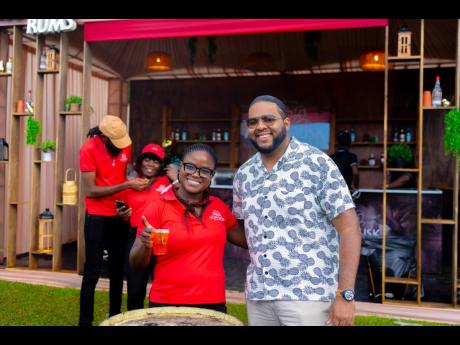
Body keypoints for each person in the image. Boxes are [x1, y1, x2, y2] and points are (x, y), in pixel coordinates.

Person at [233, 95, 362, 326]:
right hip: (259, 296)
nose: (260, 126)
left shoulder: (316, 163)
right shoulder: (244, 174)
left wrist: (345, 294)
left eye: (268, 119)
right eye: (253, 122)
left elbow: (350, 228)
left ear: (286, 123)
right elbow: (249, 233)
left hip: (309, 296)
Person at [129, 143, 247, 313]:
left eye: (205, 170)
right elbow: (136, 264)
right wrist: (144, 243)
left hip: (213, 304)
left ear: (211, 176)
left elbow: (248, 240)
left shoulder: (218, 207)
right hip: (167, 304)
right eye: (190, 166)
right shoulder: (157, 207)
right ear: (179, 168)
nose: (196, 174)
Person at [78, 115, 150, 326]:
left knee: (117, 270)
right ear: (105, 137)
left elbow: (118, 173)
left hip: (119, 215)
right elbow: (90, 190)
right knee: (92, 271)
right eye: (116, 142)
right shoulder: (88, 149)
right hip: (97, 216)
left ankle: (115, 316)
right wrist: (127, 185)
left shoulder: (125, 146)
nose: (121, 147)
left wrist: (132, 185)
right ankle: (85, 322)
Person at [117, 143, 178, 311]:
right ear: (141, 161)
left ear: (161, 166)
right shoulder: (130, 185)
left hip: (161, 238)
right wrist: (123, 217)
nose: (151, 165)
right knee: (135, 290)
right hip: (136, 238)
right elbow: (124, 217)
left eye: (156, 161)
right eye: (148, 160)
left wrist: (176, 178)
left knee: (164, 292)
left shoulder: (169, 183)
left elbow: (186, 197)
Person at [330, 130, 359, 195]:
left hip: (333, 190)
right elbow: (355, 173)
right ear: (350, 143)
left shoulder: (331, 157)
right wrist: (355, 186)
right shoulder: (351, 156)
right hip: (346, 191)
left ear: (337, 143)